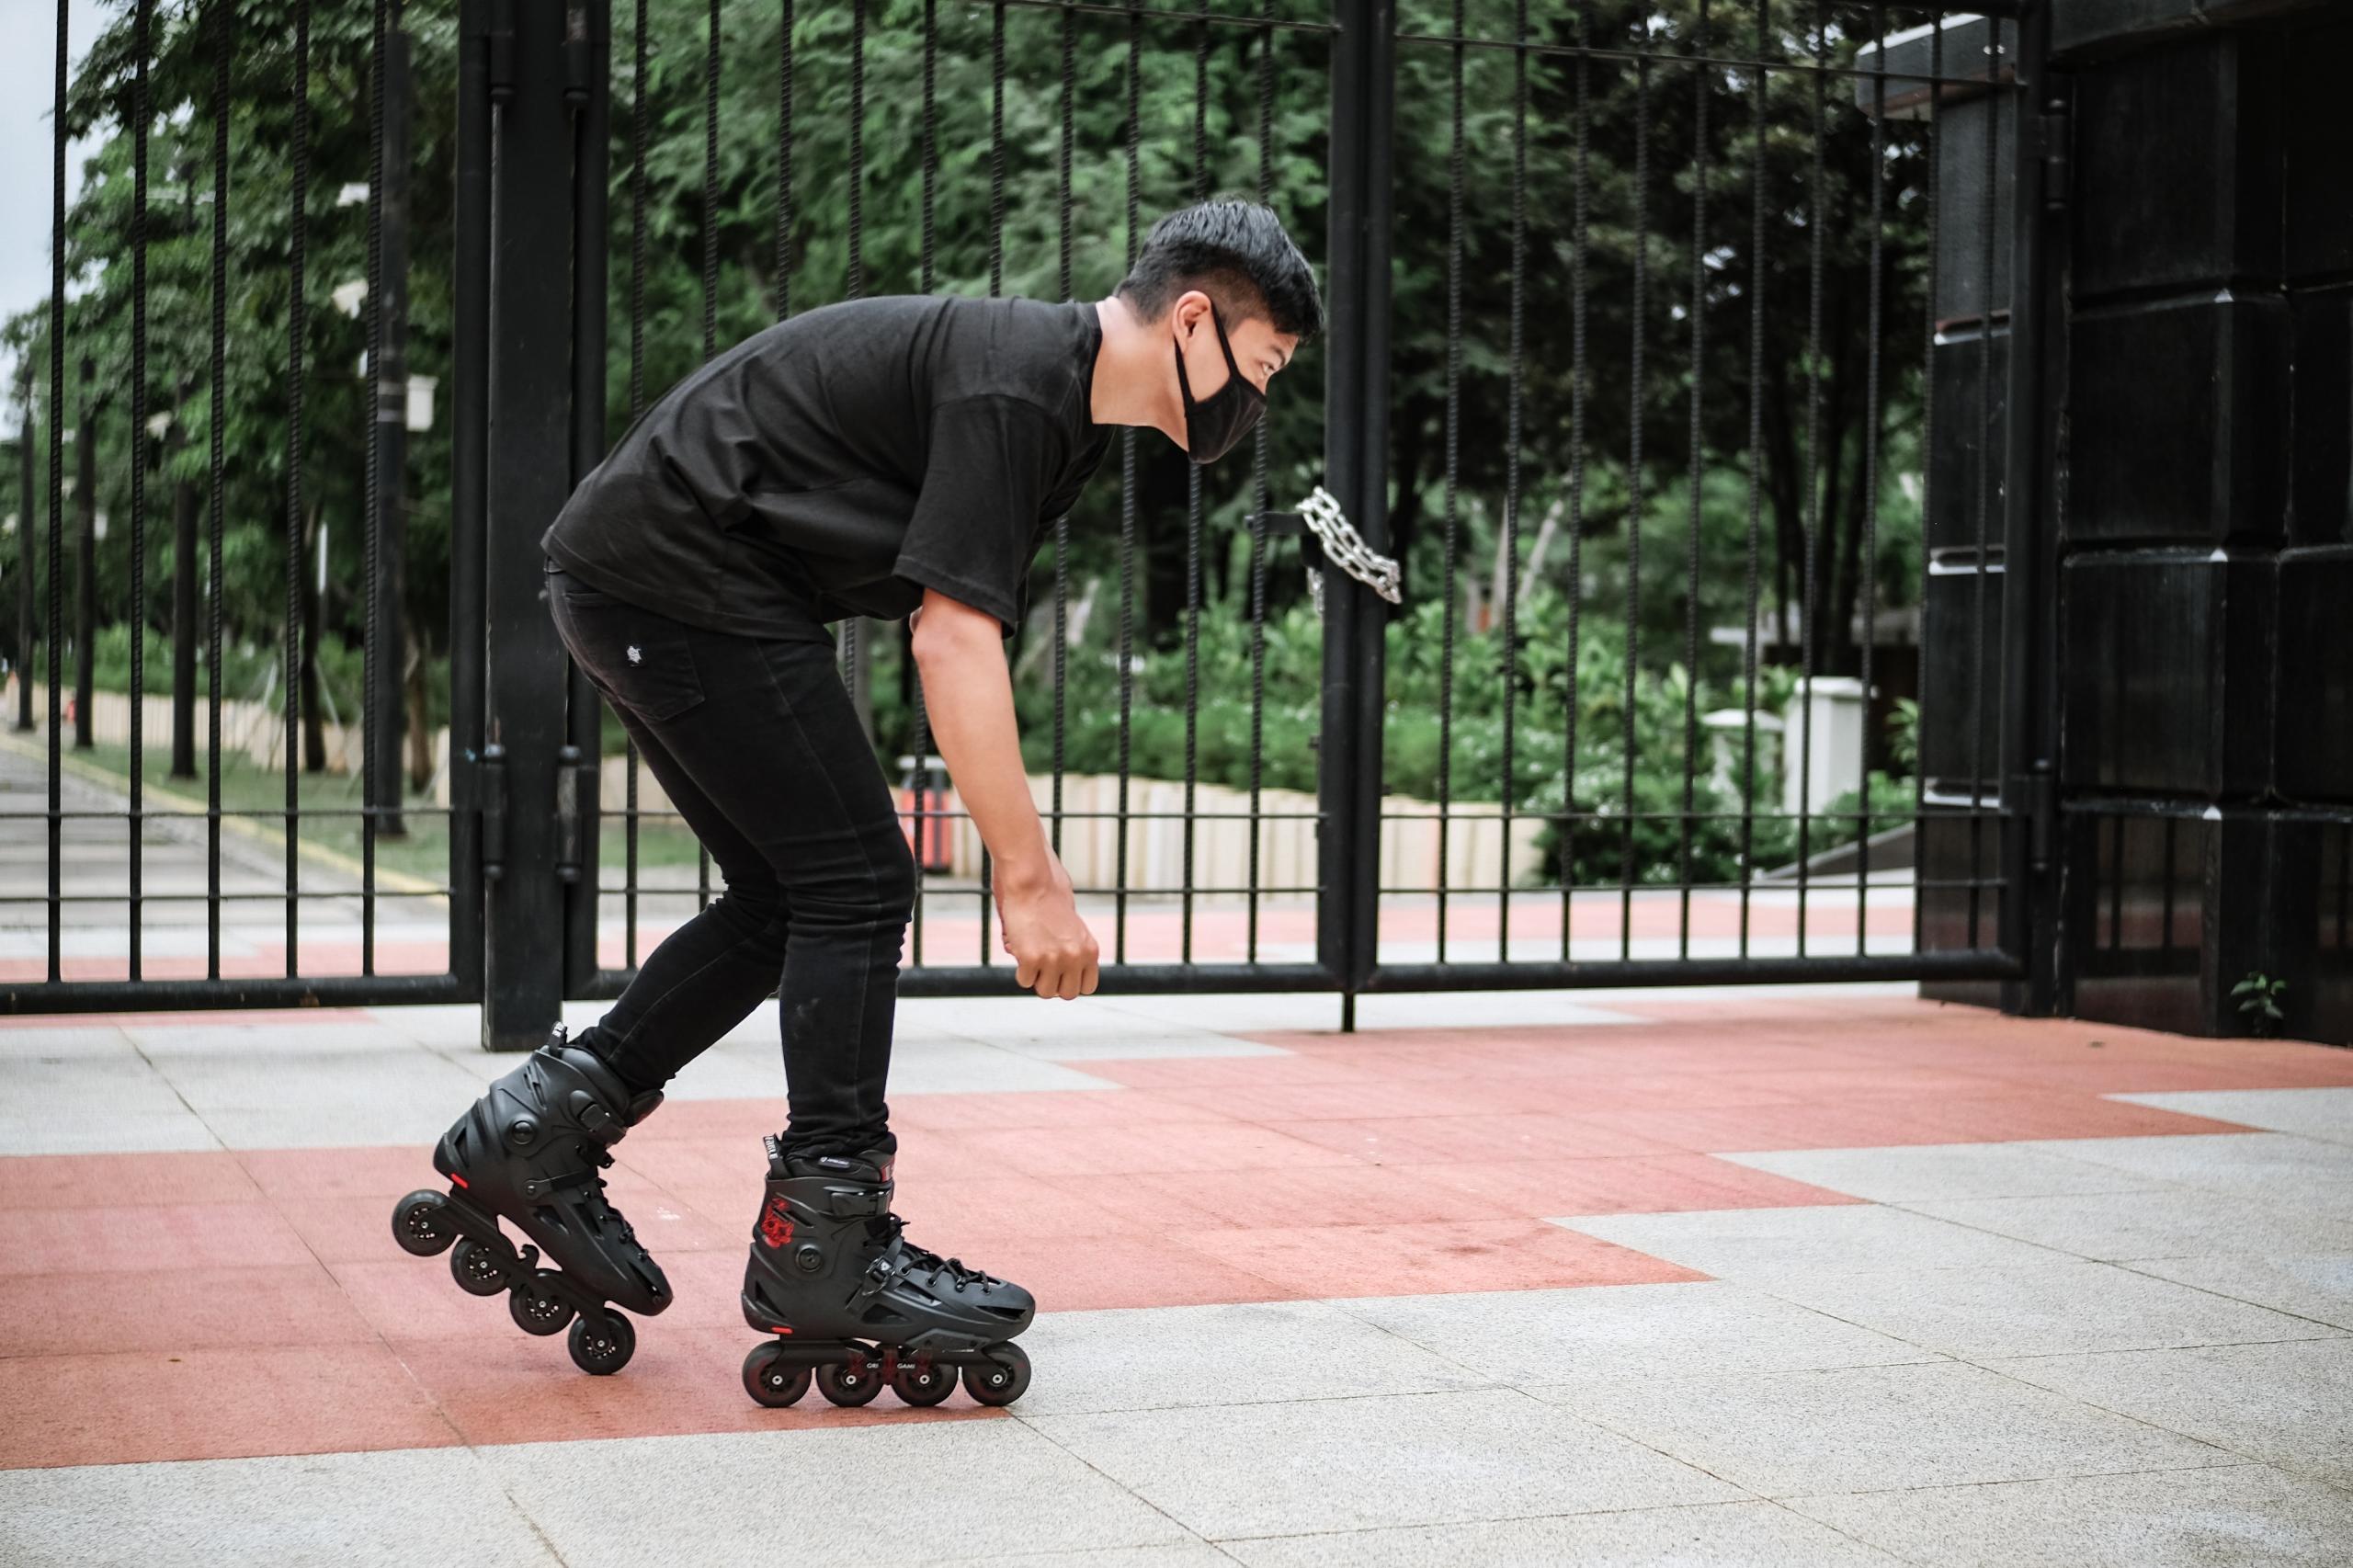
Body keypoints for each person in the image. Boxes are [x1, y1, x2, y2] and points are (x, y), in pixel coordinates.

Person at [400, 199, 1322, 1400]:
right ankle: (826, 1247)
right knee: (858, 883)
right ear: (1193, 320)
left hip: (652, 579)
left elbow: (944, 616)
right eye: (1263, 366)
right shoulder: (1020, 388)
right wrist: (1028, 876)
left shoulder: (1056, 408)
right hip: (677, 578)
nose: (1258, 400)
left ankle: (535, 1136)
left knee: (788, 897)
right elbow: (953, 640)